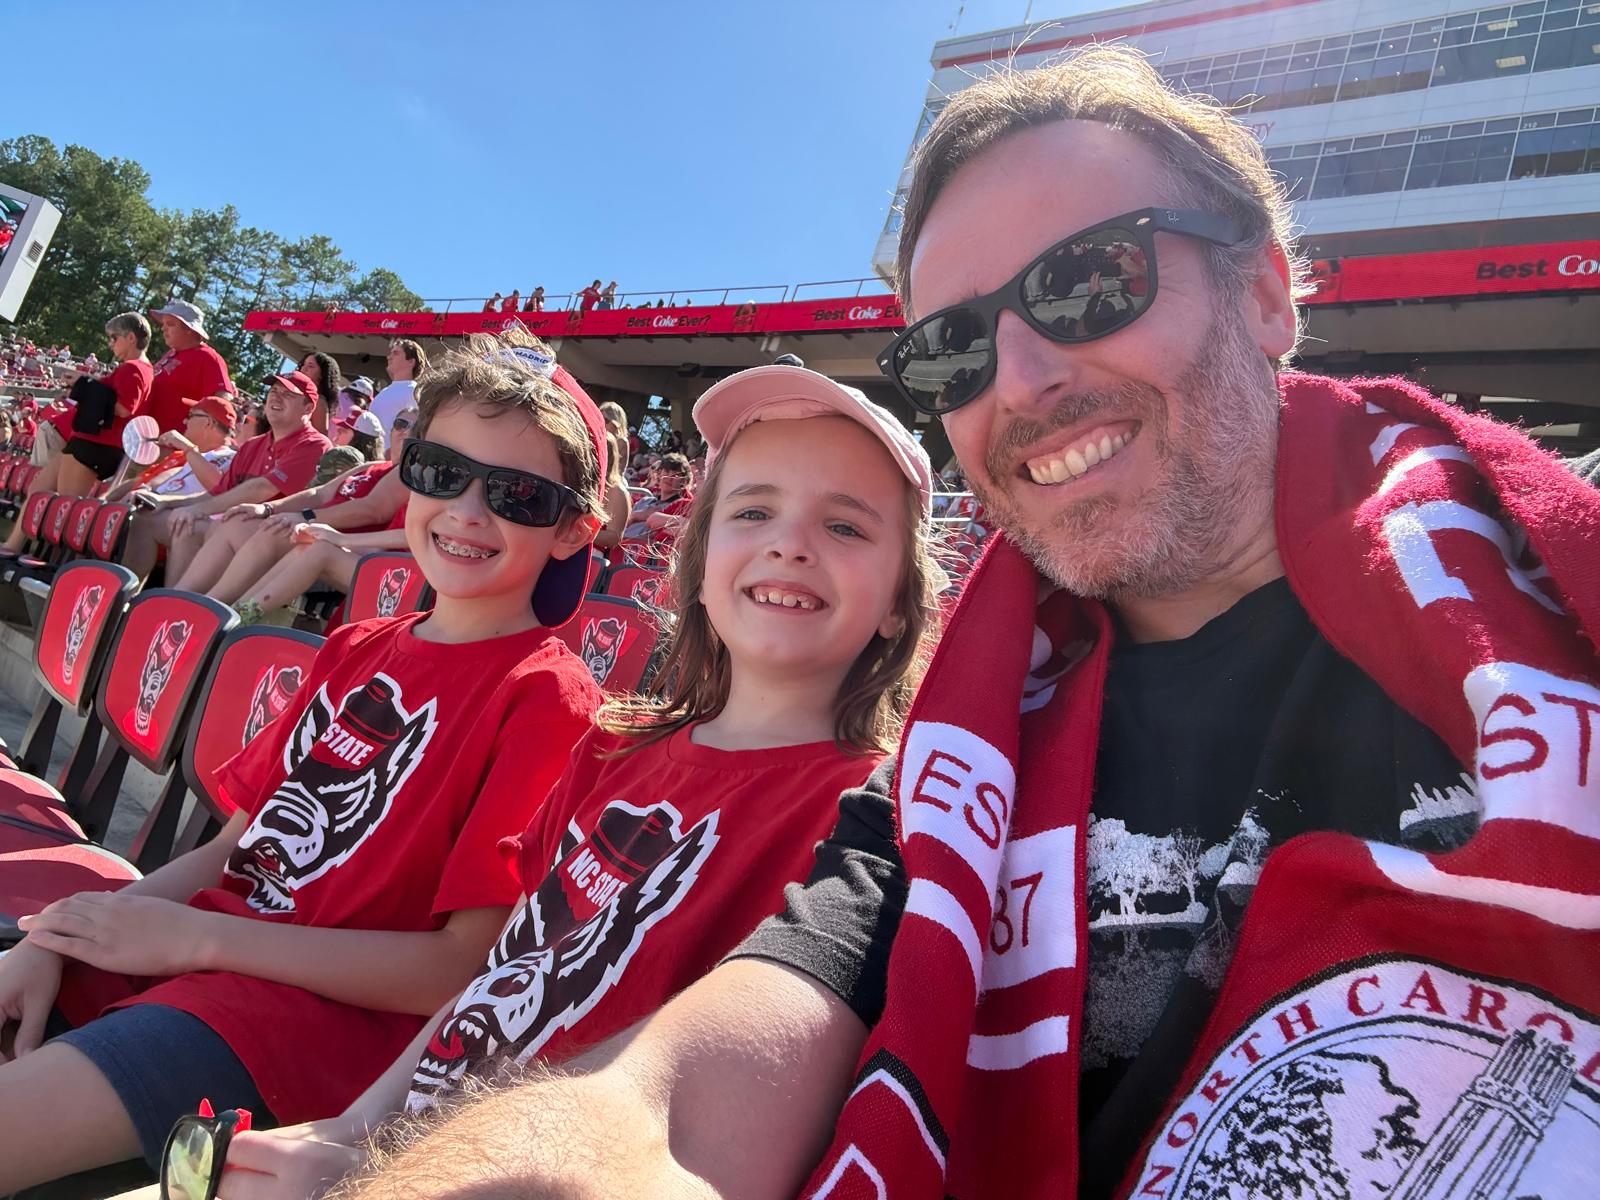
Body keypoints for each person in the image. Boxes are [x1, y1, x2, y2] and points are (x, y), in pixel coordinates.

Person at [339, 44, 1600, 1200]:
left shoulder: (1554, 612)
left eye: (1090, 282)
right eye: (951, 350)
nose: (1023, 381)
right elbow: (683, 1086)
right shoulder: (958, 764)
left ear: (1267, 293)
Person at [208, 365, 945, 1197]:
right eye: (752, 511)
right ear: (700, 561)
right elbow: (499, 973)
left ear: (899, 599)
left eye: (845, 526)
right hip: (406, 1138)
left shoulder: (869, 829)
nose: (790, 544)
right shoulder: (613, 747)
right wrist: (350, 1129)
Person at [0, 331, 614, 1193]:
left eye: (518, 495)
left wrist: (201, 940)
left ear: (573, 530)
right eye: (441, 471)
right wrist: (62, 933)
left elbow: (460, 969)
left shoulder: (548, 699)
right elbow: (233, 853)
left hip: (298, 1028)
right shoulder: (358, 644)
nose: (469, 511)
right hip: (201, 954)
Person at [171, 407, 414, 610]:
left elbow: (371, 510)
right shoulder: (370, 467)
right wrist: (268, 508)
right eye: (401, 423)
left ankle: (208, 609)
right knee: (236, 521)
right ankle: (178, 599)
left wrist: (304, 517)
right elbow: (318, 493)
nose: (406, 430)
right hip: (316, 536)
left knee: (276, 532)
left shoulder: (408, 474)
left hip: (343, 549)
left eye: (416, 426)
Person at [121, 371, 331, 583]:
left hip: (273, 540)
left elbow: (262, 488)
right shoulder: (253, 445)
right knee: (146, 519)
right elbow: (217, 494)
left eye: (287, 394)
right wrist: (166, 502)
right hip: (232, 527)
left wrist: (197, 509)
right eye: (274, 390)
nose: (276, 397)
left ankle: (173, 599)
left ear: (308, 408)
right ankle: (127, 597)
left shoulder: (315, 444)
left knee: (189, 525)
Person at [0, 314, 153, 554]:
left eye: (114, 338)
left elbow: (124, 408)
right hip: (87, 442)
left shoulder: (135, 368)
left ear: (131, 338)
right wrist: (87, 382)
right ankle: (12, 546)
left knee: (65, 508)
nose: (110, 344)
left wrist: (86, 385)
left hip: (97, 446)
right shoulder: (134, 368)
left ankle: (53, 562)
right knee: (39, 490)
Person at [145, 300, 232, 434]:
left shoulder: (208, 357)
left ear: (189, 329)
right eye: (164, 324)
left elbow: (222, 401)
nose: (163, 328)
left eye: (170, 324)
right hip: (148, 433)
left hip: (173, 440)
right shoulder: (171, 353)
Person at [622, 452, 690, 541]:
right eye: (666, 471)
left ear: (683, 481)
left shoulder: (681, 508)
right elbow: (617, 528)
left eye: (675, 476)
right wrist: (635, 516)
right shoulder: (645, 501)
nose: (669, 478)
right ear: (659, 473)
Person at [369, 341, 426, 437]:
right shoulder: (384, 392)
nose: (389, 357)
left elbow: (417, 429)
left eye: (396, 353)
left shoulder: (413, 391)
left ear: (411, 362)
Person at [298, 352, 343, 437]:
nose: (303, 369)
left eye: (310, 366)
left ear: (322, 374)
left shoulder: (318, 402)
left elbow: (320, 437)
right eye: (303, 364)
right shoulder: (295, 394)